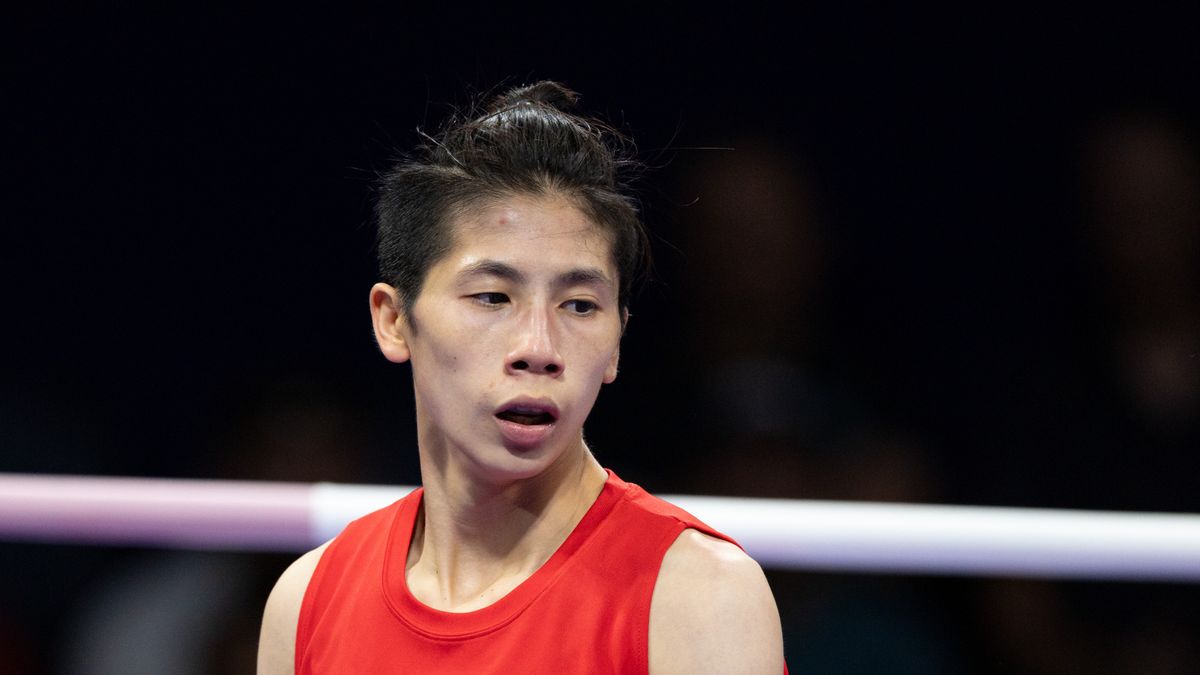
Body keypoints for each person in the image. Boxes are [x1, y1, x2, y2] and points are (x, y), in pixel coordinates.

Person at [257, 81, 786, 674]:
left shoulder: (699, 597)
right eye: (492, 297)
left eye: (580, 305)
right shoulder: (306, 602)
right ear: (394, 320)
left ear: (617, 341)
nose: (539, 349)